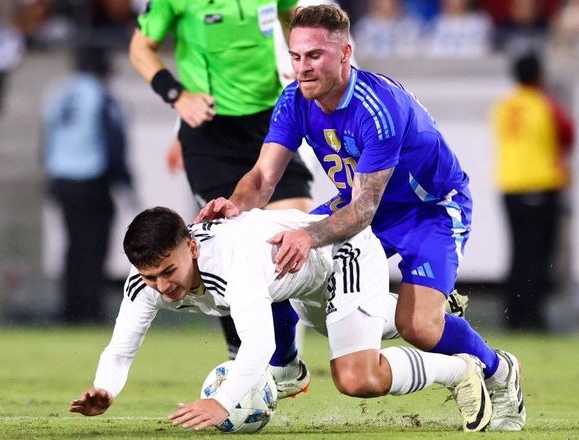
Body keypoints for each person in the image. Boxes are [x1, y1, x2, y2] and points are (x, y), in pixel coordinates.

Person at [196, 4, 525, 431]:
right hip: (359, 201)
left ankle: (499, 371)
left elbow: (365, 209)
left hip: (428, 210)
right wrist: (236, 205)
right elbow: (261, 177)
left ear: (345, 53)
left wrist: (309, 236)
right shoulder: (294, 99)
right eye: (296, 56)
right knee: (268, 251)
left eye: (315, 55)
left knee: (420, 328)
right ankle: (285, 366)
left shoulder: (377, 107)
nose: (302, 67)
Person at [69, 207, 493, 432]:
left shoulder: (231, 262)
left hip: (341, 252)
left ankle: (460, 370)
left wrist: (222, 401)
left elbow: (259, 344)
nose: (162, 286)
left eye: (168, 271)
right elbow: (120, 349)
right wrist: (106, 388)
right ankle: (420, 308)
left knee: (356, 377)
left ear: (192, 248)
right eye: (150, 277)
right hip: (300, 284)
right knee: (365, 327)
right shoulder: (144, 283)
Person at [128, 0, 315, 360]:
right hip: (211, 132)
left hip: (271, 121)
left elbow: (293, 16)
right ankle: (240, 357)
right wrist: (177, 96)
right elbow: (140, 48)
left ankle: (287, 364)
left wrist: (300, 60)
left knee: (293, 236)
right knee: (228, 243)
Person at [42, 45, 133, 324]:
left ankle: (69, 308)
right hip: (92, 175)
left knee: (73, 243)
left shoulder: (60, 93)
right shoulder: (101, 95)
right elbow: (113, 139)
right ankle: (89, 309)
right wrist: (124, 179)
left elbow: (46, 136)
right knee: (94, 244)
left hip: (62, 176)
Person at [490, 52, 574, 331]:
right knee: (539, 256)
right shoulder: (547, 105)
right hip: (541, 185)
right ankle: (533, 317)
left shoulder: (503, 106)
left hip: (509, 186)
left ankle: (513, 315)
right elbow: (569, 135)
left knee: (517, 253)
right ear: (539, 75)